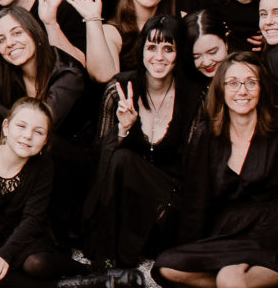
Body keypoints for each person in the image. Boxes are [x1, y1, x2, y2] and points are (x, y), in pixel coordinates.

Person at [152, 56, 278, 288]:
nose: (242, 91)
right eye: (233, 83)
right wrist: (193, 248)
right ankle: (271, 280)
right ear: (221, 89)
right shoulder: (206, 133)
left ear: (262, 88)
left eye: (251, 82)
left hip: (275, 226)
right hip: (230, 229)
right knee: (167, 267)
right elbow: (197, 199)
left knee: (232, 283)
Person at [0, 99, 114, 288]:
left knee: (37, 264)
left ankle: (89, 271)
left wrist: (5, 255)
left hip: (25, 240)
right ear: (6, 127)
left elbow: (33, 218)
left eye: (38, 132)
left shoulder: (42, 167)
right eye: (21, 126)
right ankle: (74, 286)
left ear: (45, 140)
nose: (28, 136)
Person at [80, 16, 199, 274]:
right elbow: (100, 160)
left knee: (126, 164)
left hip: (168, 201)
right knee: (121, 159)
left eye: (168, 48)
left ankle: (120, 255)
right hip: (126, 200)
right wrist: (123, 129)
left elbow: (194, 168)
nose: (159, 57)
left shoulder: (194, 97)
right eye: (152, 47)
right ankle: (109, 260)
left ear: (179, 53)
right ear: (141, 50)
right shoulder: (120, 89)